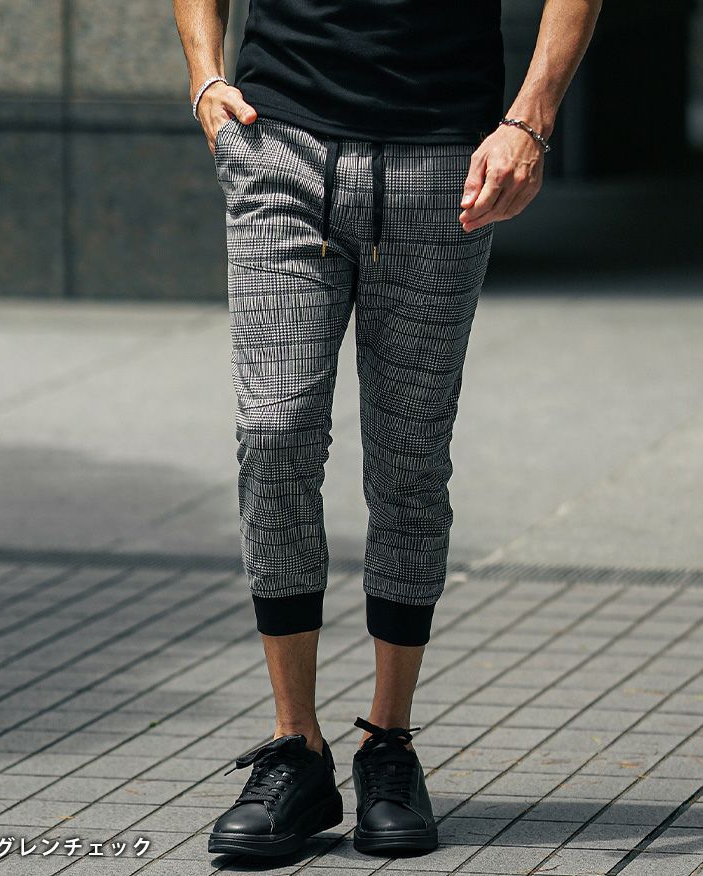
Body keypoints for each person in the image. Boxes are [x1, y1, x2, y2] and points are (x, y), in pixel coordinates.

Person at [172, 0, 603, 859]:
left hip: (443, 158)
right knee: (275, 433)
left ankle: (388, 744)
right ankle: (297, 749)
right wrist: (204, 78)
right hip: (279, 140)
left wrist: (530, 118)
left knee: (409, 457)